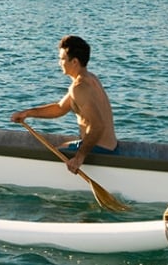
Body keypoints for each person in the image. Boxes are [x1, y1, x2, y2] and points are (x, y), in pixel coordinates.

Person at [10, 36, 116, 176]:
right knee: (62, 146)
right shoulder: (90, 78)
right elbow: (60, 108)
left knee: (53, 152)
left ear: (74, 61)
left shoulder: (79, 88)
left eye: (62, 59)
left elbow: (98, 126)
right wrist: (27, 113)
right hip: (110, 146)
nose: (59, 63)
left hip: (100, 149)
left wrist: (79, 158)